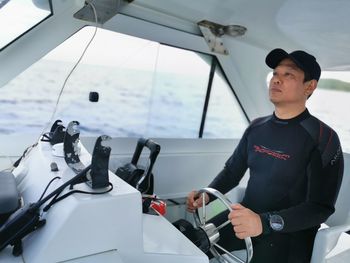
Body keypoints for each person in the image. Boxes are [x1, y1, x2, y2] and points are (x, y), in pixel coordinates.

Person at [186, 48, 344, 263]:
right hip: (243, 221)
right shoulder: (256, 127)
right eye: (275, 74)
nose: (277, 80)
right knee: (187, 246)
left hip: (288, 237)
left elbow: (320, 208)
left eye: (288, 75)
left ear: (310, 86)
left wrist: (265, 223)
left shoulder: (323, 138)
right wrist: (207, 196)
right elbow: (232, 172)